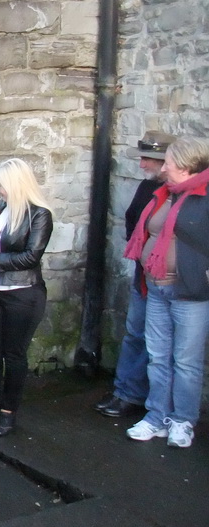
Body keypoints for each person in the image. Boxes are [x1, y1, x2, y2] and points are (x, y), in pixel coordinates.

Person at [123, 136, 209, 448]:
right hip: (156, 287)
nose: (165, 166)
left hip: (190, 292)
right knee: (158, 356)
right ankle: (156, 416)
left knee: (186, 361)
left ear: (185, 166)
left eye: (169, 161)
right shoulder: (164, 193)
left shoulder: (204, 196)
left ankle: (183, 420)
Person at [0, 158, 53, 437]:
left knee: (14, 354)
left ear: (15, 185)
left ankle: (9, 411)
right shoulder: (0, 207)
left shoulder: (39, 214)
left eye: (2, 185)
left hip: (22, 293)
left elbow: (32, 255)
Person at [95, 131, 176, 418]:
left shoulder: (180, 195)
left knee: (154, 341)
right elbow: (133, 223)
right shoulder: (147, 188)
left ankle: (137, 396)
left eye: (148, 159)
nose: (143, 165)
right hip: (145, 273)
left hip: (167, 279)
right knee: (134, 333)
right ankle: (126, 390)